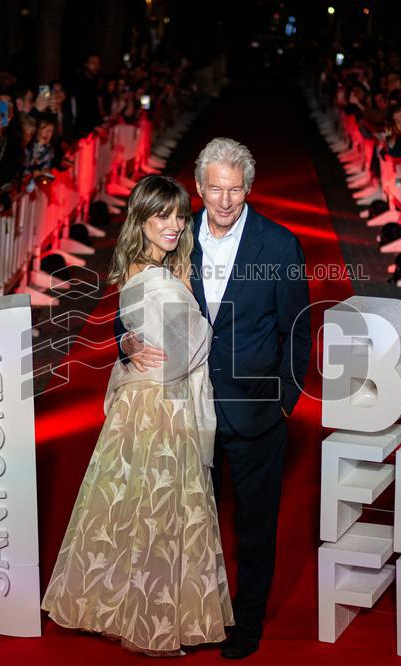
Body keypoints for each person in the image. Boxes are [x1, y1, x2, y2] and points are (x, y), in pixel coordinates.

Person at [119, 138, 312, 659]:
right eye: (215, 189)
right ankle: (189, 616)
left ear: (249, 188)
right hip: (184, 406)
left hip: (256, 411)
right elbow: (135, 298)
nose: (225, 201)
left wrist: (284, 402)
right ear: (199, 188)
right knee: (186, 522)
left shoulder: (279, 245)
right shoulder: (175, 235)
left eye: (236, 190)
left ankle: (246, 622)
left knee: (255, 526)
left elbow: (298, 329)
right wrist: (126, 343)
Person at [42, 175, 233, 656]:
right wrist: (138, 337)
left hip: (147, 400)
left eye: (179, 215)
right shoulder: (157, 275)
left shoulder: (150, 267)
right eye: (161, 215)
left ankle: (115, 606)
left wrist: (130, 340)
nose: (174, 225)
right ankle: (151, 620)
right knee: (156, 509)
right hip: (159, 405)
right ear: (141, 220)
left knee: (130, 506)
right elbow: (180, 349)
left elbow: (143, 330)